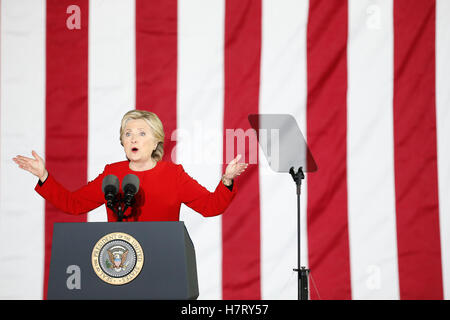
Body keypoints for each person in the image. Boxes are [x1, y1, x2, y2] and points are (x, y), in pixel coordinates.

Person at [12, 110, 248, 221]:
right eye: (128, 133)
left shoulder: (173, 175)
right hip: (120, 263)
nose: (133, 138)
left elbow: (210, 207)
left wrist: (226, 179)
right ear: (122, 141)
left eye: (141, 133)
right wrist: (44, 176)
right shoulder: (112, 174)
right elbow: (73, 204)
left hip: (164, 262)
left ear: (157, 140)